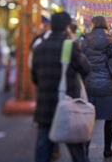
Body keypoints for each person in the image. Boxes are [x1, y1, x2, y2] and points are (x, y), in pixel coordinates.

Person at [32, 11, 91, 162]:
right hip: (67, 103)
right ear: (67, 27)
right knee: (76, 149)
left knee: (43, 148)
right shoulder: (69, 46)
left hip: (45, 105)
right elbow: (85, 69)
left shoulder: (39, 48)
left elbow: (35, 78)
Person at [81, 15, 112, 158]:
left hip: (90, 84)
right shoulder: (110, 40)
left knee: (89, 119)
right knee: (109, 119)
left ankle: (85, 150)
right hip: (108, 86)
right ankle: (107, 149)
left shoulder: (85, 40)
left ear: (93, 25)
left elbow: (80, 59)